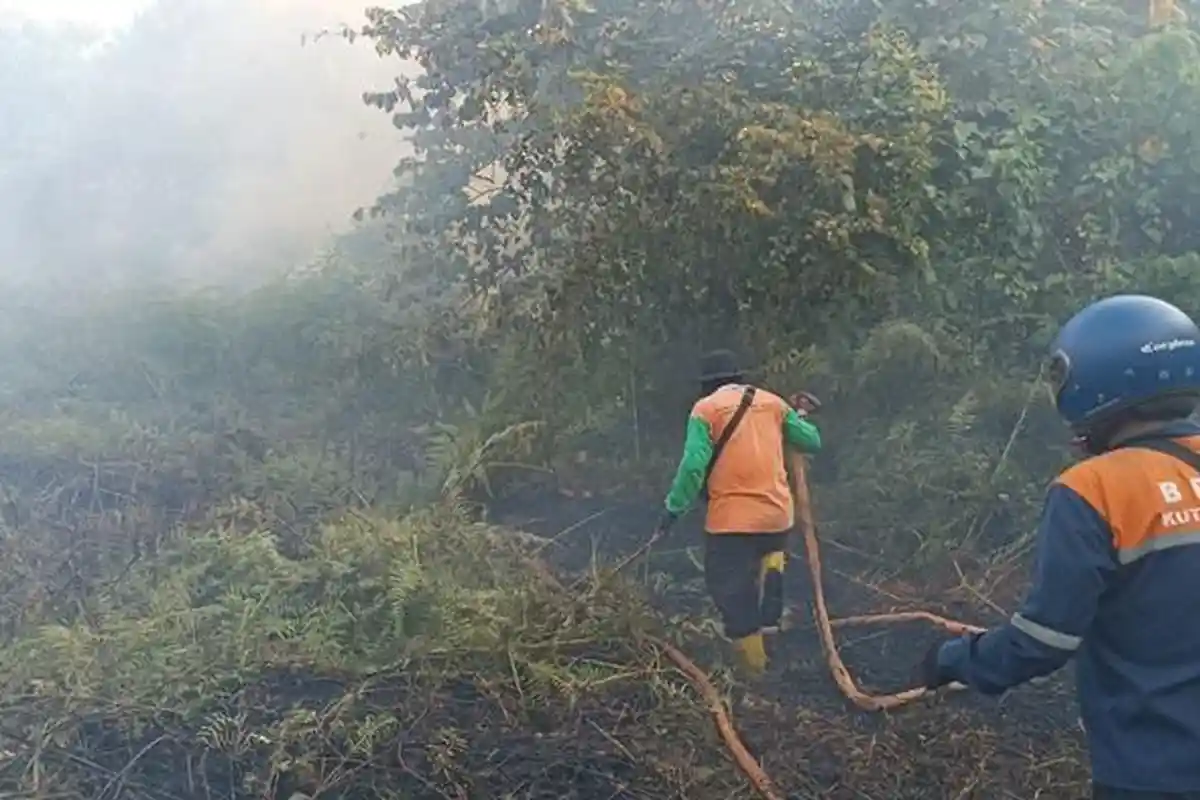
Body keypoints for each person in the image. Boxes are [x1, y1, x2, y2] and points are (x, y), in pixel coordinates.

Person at [918, 294, 1200, 800]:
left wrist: (954, 659)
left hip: (1157, 768)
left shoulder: (1093, 487)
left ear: (1094, 384)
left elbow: (1045, 640)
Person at [658, 349, 822, 676]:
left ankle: (755, 672)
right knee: (762, 566)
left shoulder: (705, 409)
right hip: (777, 517)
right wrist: (798, 419)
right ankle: (772, 566)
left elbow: (693, 467)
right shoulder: (774, 403)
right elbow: (811, 441)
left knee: (731, 594)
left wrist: (672, 510)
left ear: (708, 385)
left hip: (731, 522)